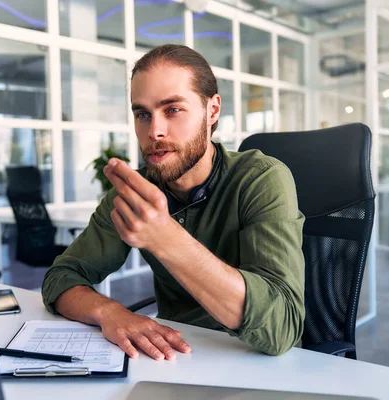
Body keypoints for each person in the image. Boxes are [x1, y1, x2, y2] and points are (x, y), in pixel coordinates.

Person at [42, 44, 305, 360]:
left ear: (212, 111)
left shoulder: (261, 179)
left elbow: (282, 330)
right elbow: (61, 278)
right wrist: (109, 311)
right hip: (173, 356)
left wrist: (165, 238)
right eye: (142, 114)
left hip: (256, 361)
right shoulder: (135, 192)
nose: (155, 132)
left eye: (173, 110)